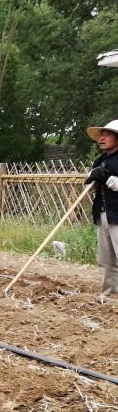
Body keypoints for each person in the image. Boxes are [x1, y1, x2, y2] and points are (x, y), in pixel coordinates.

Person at [85, 119, 118, 298]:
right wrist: (93, 175)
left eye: (107, 135)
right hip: (103, 213)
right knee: (106, 259)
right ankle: (109, 295)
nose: (102, 138)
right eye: (101, 135)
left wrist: (113, 181)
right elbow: (90, 184)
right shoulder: (100, 160)